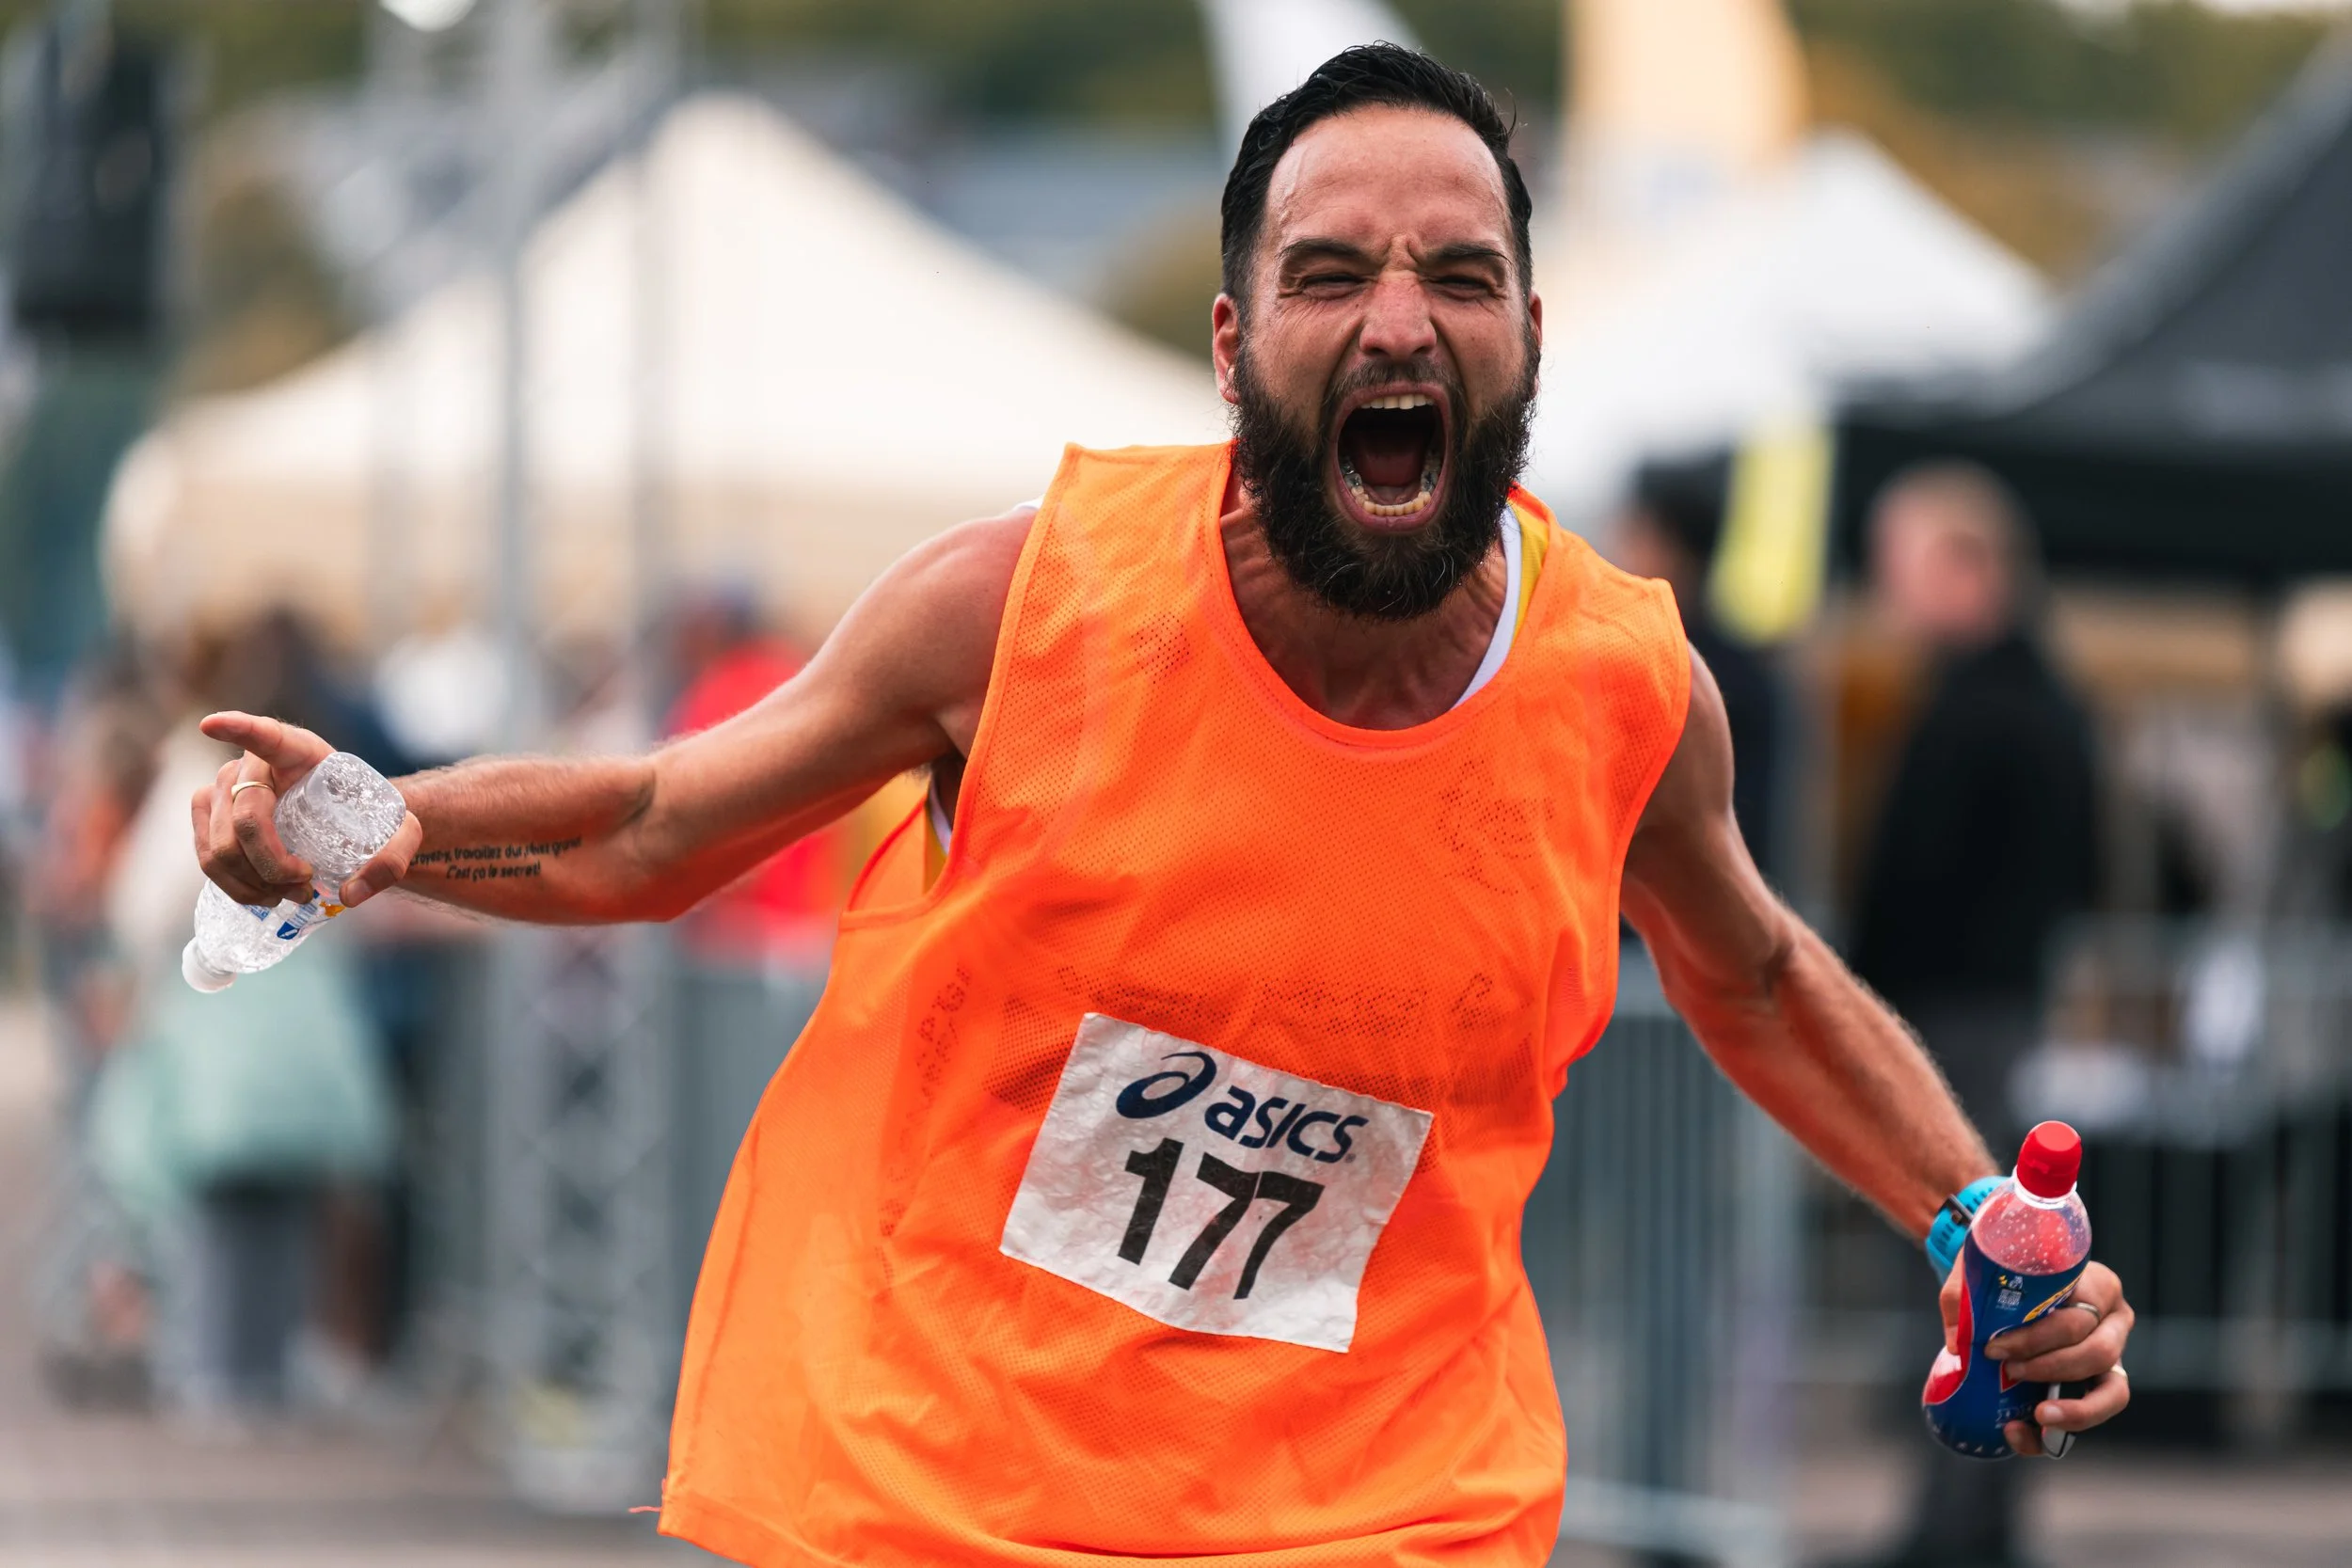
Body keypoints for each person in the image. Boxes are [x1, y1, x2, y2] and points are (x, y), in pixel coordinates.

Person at [191, 47, 2132, 1567]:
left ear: (1527, 341)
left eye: (1460, 276)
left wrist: (1967, 1215)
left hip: (1390, 1497)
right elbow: (654, 822)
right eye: (1330, 272)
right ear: (1232, 344)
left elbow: (1761, 973)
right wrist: (352, 826)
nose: (1398, 319)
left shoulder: (1621, 686)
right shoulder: (1013, 603)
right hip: (963, 1482)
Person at [1844, 463, 2100, 1568]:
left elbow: (1920, 879)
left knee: (1969, 1286)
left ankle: (1957, 1526)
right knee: (1987, 1288)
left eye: (1902, 567)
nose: (1886, 592)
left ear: (1966, 567)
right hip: (1981, 1014)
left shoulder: (1985, 707)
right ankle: (1967, 1519)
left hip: (1959, 1023)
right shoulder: (2034, 697)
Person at [1615, 455, 1783, 879]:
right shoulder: (1746, 666)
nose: (1619, 551)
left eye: (1637, 536)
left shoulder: (1719, 673)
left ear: (1675, 549)